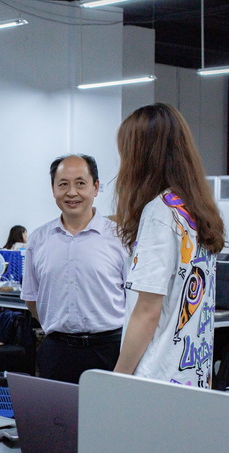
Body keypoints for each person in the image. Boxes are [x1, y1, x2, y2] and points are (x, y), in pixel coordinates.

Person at [113, 104, 224, 387]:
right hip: (192, 374)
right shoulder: (195, 210)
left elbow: (147, 312)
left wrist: (117, 378)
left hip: (155, 378)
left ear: (142, 156)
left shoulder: (159, 212)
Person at [21, 154, 128, 384]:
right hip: (57, 352)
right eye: (63, 184)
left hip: (110, 351)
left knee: (108, 408)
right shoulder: (38, 239)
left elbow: (135, 301)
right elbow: (32, 299)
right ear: (53, 189)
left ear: (95, 187)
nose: (72, 192)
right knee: (57, 408)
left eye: (80, 183)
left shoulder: (120, 238)